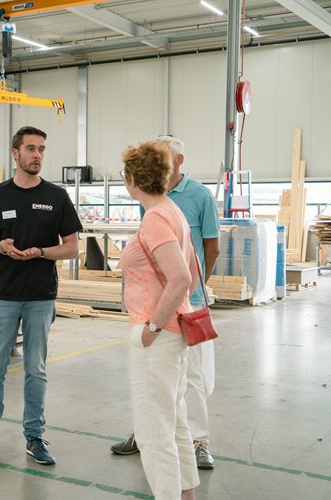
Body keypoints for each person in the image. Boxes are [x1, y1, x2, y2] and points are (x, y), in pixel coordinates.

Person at [0, 126, 82, 465]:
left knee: (35, 369)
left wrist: (40, 251)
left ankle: (35, 438)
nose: (38, 155)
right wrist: (0, 247)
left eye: (42, 149)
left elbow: (72, 248)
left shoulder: (57, 197)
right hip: (3, 297)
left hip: (40, 296)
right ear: (16, 153)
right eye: (31, 149)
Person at [111, 136, 220, 470]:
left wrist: (191, 293)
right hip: (160, 302)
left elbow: (210, 249)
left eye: (164, 158)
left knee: (192, 379)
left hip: (182, 304)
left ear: (179, 161)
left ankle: (197, 442)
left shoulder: (197, 196)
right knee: (159, 385)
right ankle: (146, 433)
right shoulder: (156, 202)